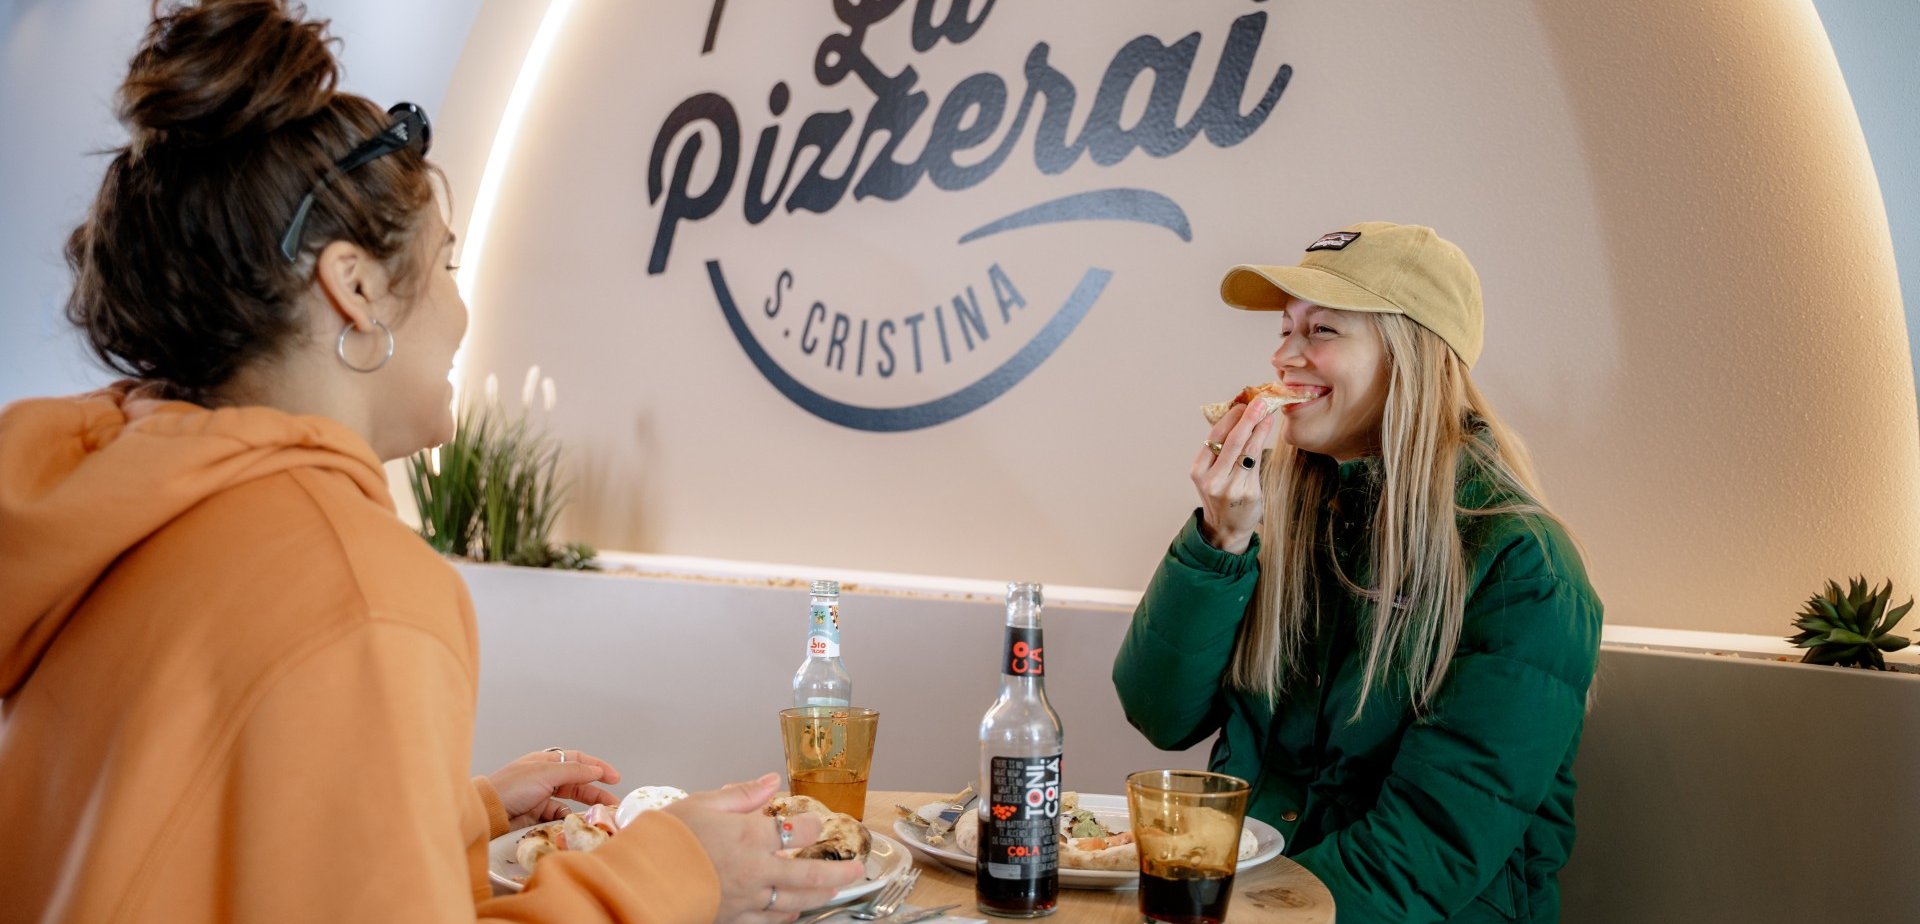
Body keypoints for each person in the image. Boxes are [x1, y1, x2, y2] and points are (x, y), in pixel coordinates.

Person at [0, 2, 860, 921]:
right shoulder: (354, 583)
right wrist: (678, 872)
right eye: (447, 265)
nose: (459, 312)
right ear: (356, 286)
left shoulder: (125, 520)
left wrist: (464, 811)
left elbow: (195, 854)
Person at [1112, 222, 1602, 923]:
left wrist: (1234, 913)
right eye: (1286, 329)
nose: (1284, 356)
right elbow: (1158, 713)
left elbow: (1426, 853)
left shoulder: (1524, 567)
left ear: (1411, 357)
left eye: (1322, 331)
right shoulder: (1275, 520)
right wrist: (1219, 541)